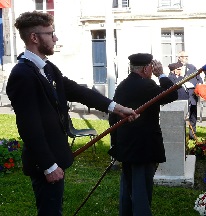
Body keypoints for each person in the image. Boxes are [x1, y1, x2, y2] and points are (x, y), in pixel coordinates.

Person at [6, 11, 139, 216]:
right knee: (50, 212)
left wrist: (117, 108)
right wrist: (49, 166)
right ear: (34, 38)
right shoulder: (22, 75)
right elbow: (29, 127)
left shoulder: (47, 68)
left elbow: (76, 91)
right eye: (51, 33)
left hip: (55, 155)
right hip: (44, 161)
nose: (55, 38)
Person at [108, 53, 178, 216]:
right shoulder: (146, 85)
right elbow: (173, 94)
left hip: (126, 145)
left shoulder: (123, 85)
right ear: (146, 68)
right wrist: (161, 74)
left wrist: (116, 143)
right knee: (141, 191)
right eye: (151, 67)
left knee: (128, 187)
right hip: (142, 147)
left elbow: (113, 116)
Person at [176, 51, 203, 140]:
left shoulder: (192, 67)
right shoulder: (175, 67)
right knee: (181, 118)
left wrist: (198, 86)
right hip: (181, 96)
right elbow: (171, 80)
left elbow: (199, 79)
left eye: (187, 56)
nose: (186, 58)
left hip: (192, 96)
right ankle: (181, 136)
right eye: (184, 56)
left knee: (193, 117)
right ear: (179, 58)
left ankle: (192, 135)